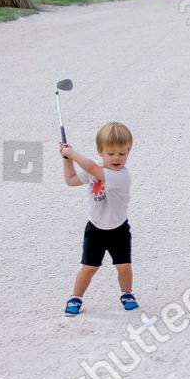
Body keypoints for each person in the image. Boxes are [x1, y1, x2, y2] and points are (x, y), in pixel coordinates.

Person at [61, 121, 137, 316]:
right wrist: (66, 158)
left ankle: (127, 294)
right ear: (100, 151)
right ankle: (75, 297)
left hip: (118, 229)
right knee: (89, 268)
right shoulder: (93, 172)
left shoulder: (122, 176)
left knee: (124, 266)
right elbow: (70, 180)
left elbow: (94, 168)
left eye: (122, 153)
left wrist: (73, 153)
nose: (117, 158)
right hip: (95, 229)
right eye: (110, 153)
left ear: (129, 151)